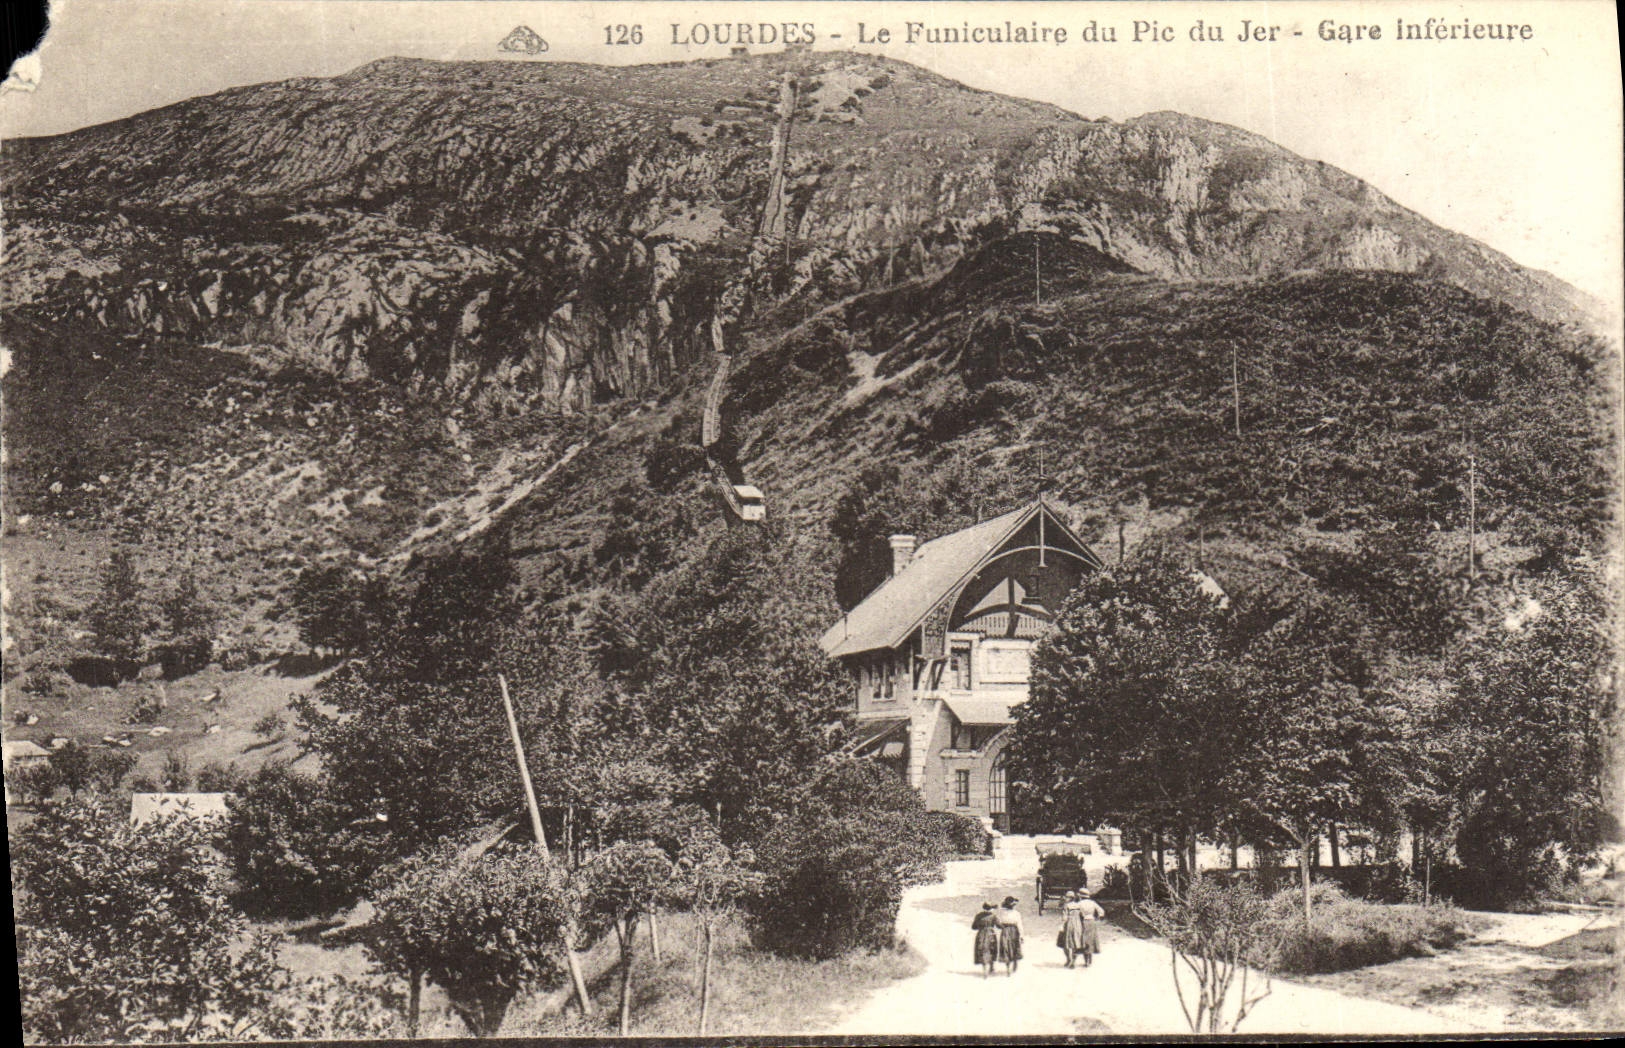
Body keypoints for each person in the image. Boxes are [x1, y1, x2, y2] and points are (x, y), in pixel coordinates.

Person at [1074, 888, 1106, 966]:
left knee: (1084, 941)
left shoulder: (1079, 904)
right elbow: (1101, 911)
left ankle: (1086, 961)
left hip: (1083, 922)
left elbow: (1075, 913)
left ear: (1080, 896)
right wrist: (1099, 917)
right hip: (1092, 921)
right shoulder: (1093, 903)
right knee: (1091, 940)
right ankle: (1090, 960)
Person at [994, 895, 1024, 975]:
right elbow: (1019, 925)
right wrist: (1021, 936)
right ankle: (1014, 962)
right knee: (1014, 947)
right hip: (1014, 931)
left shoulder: (1001, 913)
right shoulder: (1017, 913)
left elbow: (997, 922)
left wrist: (1001, 927)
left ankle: (1008, 966)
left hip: (1005, 931)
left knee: (1005, 947)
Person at [1058, 890, 1086, 967]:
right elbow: (1082, 915)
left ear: (1070, 898)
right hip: (1078, 925)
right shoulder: (1079, 905)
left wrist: (1062, 925)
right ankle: (1073, 960)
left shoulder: (1066, 906)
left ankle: (1069, 960)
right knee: (1075, 943)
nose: (1065, 898)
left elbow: (1064, 917)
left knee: (1066, 944)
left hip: (1069, 924)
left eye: (1066, 897)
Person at [971, 902, 1000, 978]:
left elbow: (973, 927)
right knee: (992, 949)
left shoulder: (978, 916)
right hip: (991, 934)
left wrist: (981, 926)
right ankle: (991, 967)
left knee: (982, 950)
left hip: (981, 934)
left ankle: (984, 970)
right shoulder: (993, 916)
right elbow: (998, 925)